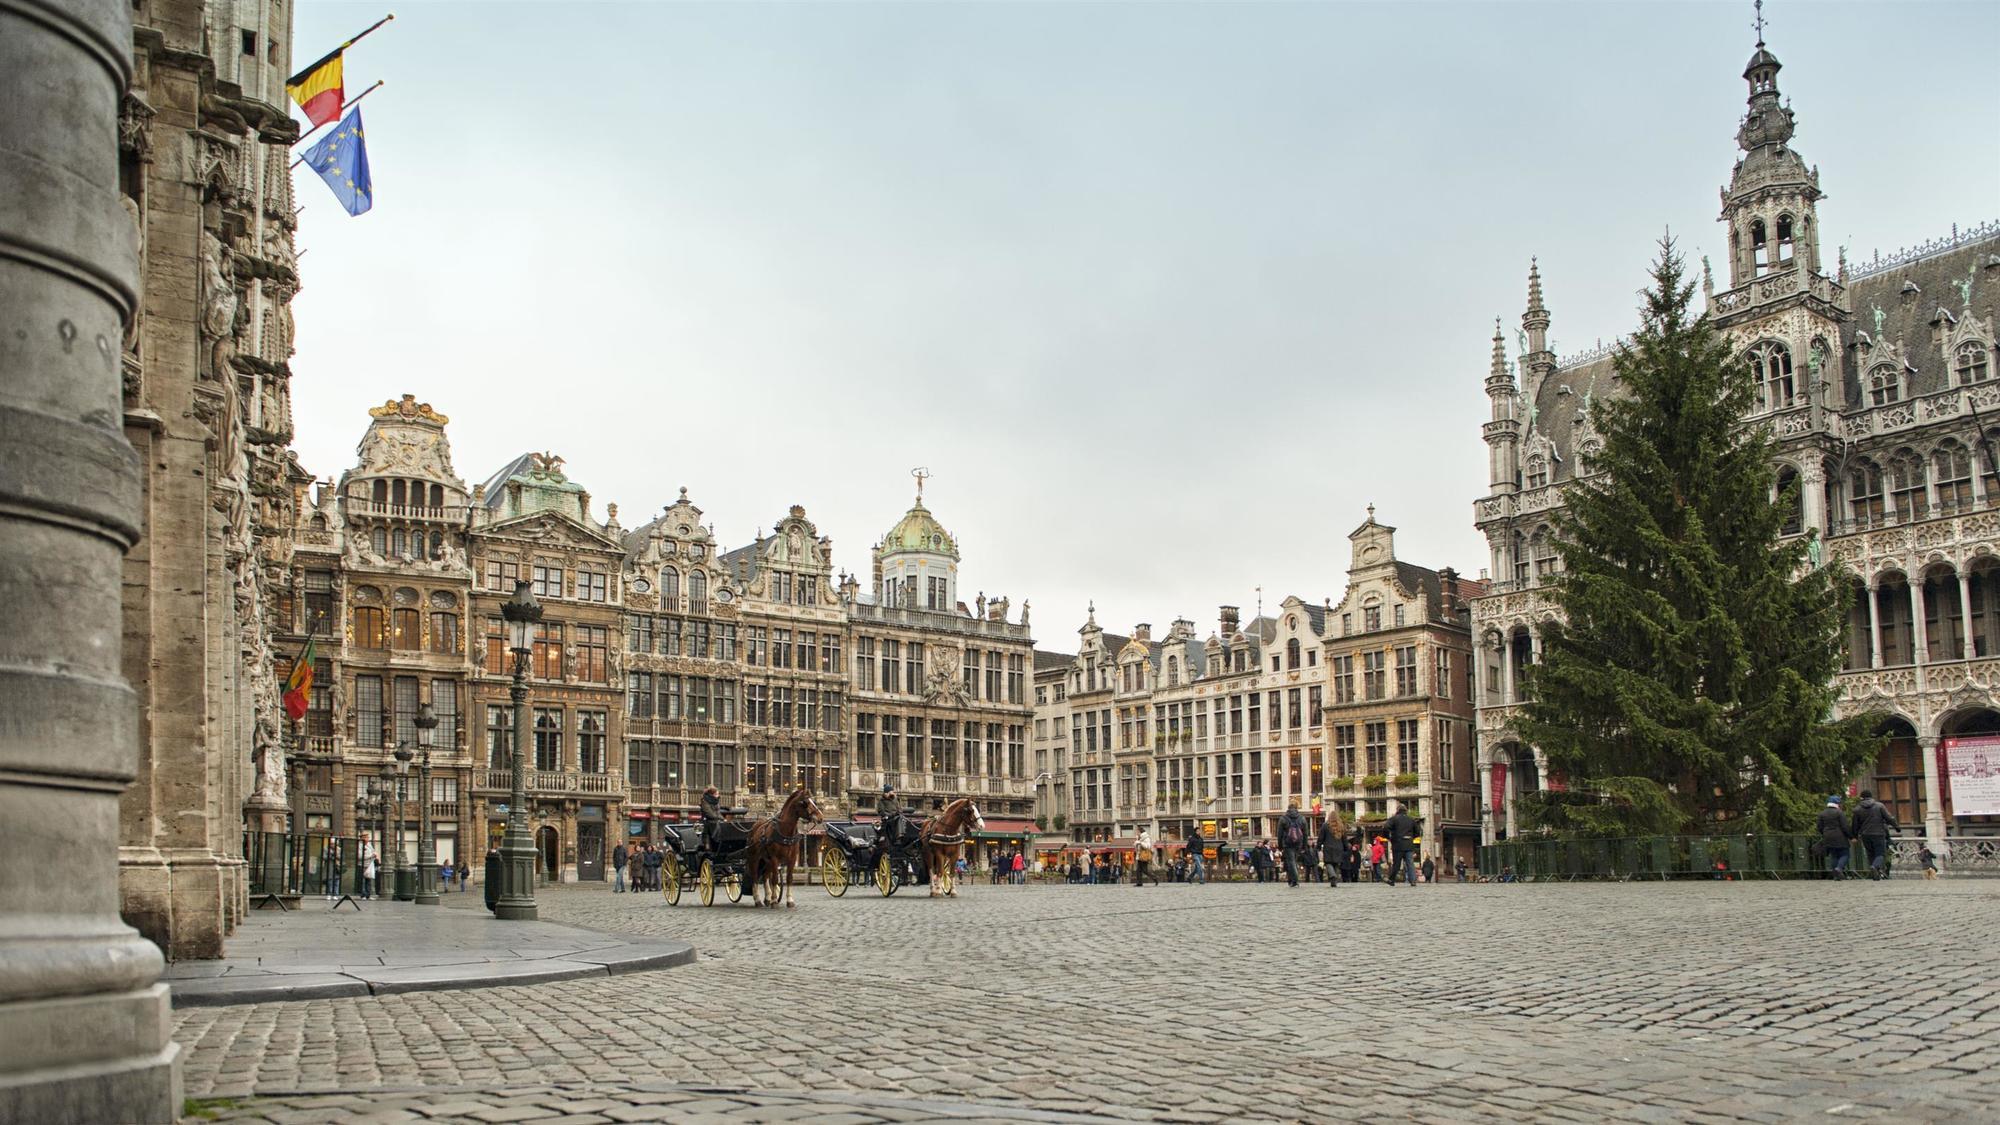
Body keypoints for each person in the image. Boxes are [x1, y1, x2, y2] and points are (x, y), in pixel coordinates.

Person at [1848, 789, 1900, 880]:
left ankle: (1875, 874)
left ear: (1862, 798)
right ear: (1871, 796)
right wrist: (1896, 827)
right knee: (1880, 853)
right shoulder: (1879, 806)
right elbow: (1888, 818)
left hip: (1865, 834)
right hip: (1878, 833)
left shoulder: (1857, 809)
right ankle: (1875, 867)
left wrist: (1854, 836)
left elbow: (1855, 825)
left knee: (1870, 853)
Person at [1815, 795, 1851, 879]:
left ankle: (1836, 875)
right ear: (1837, 803)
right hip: (1840, 836)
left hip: (1827, 836)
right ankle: (1839, 868)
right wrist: (1850, 836)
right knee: (1845, 854)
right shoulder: (1839, 812)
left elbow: (1819, 827)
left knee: (1834, 855)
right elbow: (1845, 826)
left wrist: (1824, 833)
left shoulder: (1822, 813)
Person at [1277, 803, 1310, 887]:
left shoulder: (1283, 818)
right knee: (1293, 861)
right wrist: (1304, 845)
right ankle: (1291, 880)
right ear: (1296, 808)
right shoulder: (1302, 818)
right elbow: (1306, 833)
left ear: (1288, 809)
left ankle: (1295, 880)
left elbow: (1279, 834)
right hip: (1298, 843)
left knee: (1291, 861)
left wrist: (1280, 845)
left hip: (1287, 843)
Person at [1385, 806, 1418, 887]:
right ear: (1406, 811)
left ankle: (1391, 880)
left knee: (1396, 864)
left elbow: (1386, 827)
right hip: (1409, 844)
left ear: (1398, 810)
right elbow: (1418, 831)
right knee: (1410, 863)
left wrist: (1388, 837)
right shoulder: (1411, 819)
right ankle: (1413, 881)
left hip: (1397, 844)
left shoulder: (1394, 819)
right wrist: (1411, 838)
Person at [1317, 811, 1343, 890]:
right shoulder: (1341, 826)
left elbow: (1321, 837)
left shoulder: (1325, 826)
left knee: (1328, 863)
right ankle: (1333, 882)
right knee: (1336, 864)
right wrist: (1346, 848)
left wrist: (1318, 846)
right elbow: (1344, 839)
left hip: (1328, 847)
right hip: (1339, 848)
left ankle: (1333, 875)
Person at [359, 835, 377, 900]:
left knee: (368, 880)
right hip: (362, 864)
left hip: (370, 864)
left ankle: (368, 895)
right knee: (363, 881)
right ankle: (363, 895)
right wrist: (370, 856)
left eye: (368, 837)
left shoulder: (369, 845)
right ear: (362, 838)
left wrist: (375, 854)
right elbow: (360, 856)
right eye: (366, 837)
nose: (368, 839)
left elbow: (373, 851)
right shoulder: (359, 845)